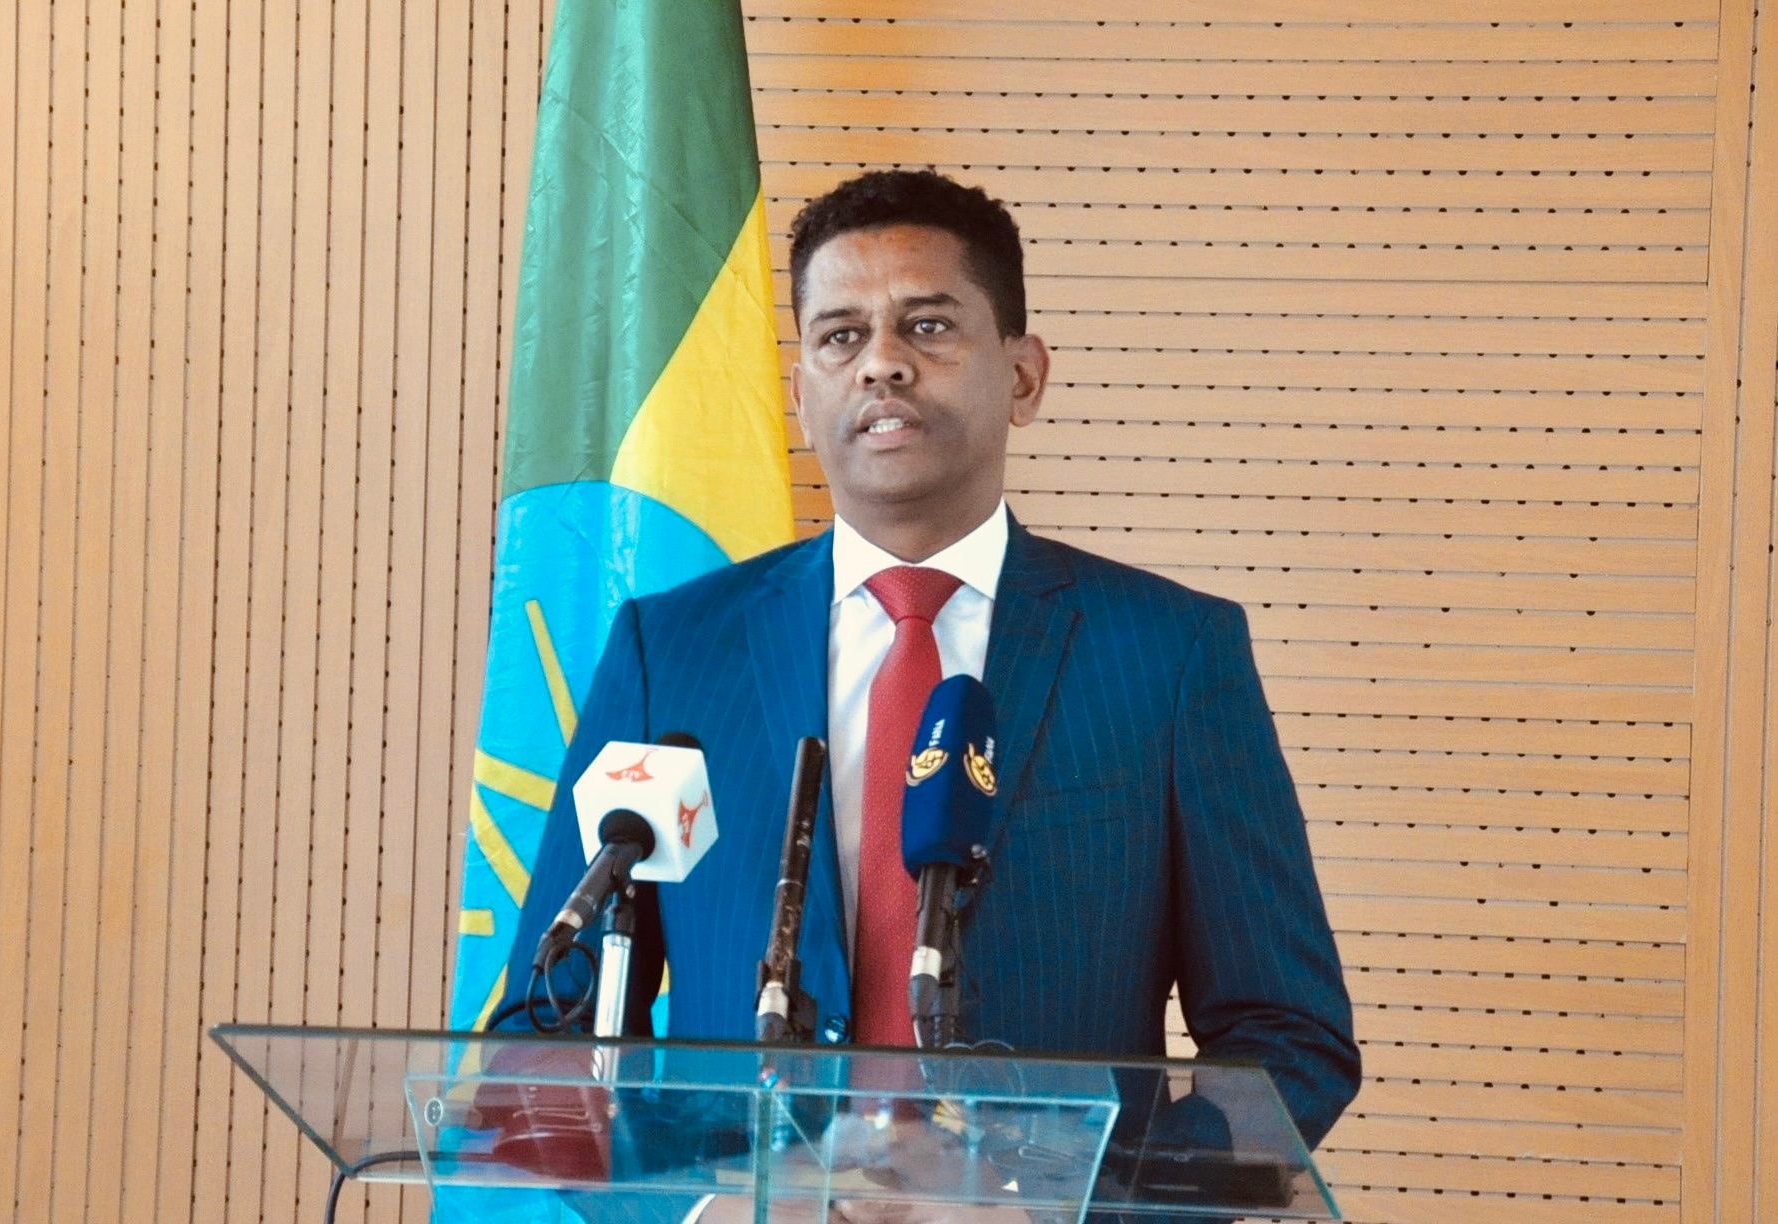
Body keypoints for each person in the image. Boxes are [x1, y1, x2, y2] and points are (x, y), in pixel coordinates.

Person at [499, 170, 1359, 1168]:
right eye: (840, 337)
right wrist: (699, 1197)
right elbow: (544, 1024)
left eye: (928, 327)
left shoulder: (1167, 654)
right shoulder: (674, 649)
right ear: (801, 398)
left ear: (1023, 376)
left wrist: (1077, 1203)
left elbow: (1285, 1042)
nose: (882, 364)